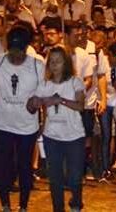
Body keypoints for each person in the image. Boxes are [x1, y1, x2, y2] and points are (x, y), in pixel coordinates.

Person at [0, 24, 45, 212]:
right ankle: (5, 204)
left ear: (26, 48)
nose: (15, 56)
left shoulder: (38, 65)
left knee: (24, 166)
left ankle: (23, 205)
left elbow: (45, 93)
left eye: (19, 51)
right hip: (1, 123)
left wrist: (42, 112)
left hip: (27, 126)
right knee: (2, 166)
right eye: (12, 51)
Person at [30, 45, 86, 212]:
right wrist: (37, 102)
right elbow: (34, 104)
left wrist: (60, 100)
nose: (54, 65)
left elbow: (80, 106)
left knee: (75, 177)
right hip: (52, 135)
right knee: (55, 177)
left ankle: (76, 203)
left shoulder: (75, 82)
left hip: (74, 135)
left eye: (58, 61)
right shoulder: (44, 85)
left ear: (66, 63)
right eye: (51, 62)